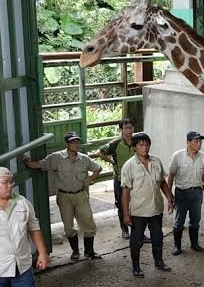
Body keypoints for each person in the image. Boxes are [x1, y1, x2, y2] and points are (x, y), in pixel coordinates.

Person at [24, 132, 102, 261]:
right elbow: (39, 165)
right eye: (73, 142)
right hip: (64, 196)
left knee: (88, 223)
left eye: (77, 141)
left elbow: (98, 168)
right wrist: (26, 162)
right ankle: (75, 251)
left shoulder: (84, 158)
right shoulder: (56, 158)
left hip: (80, 194)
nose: (76, 144)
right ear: (67, 144)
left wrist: (88, 180)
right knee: (68, 226)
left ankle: (90, 251)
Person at [121, 132, 175, 277]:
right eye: (140, 145)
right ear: (134, 147)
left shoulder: (156, 161)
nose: (145, 148)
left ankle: (159, 261)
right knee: (136, 241)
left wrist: (169, 197)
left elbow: (162, 182)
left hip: (156, 209)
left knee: (158, 238)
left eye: (147, 144)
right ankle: (136, 267)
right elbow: (125, 192)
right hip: (139, 211)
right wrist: (126, 215)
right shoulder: (129, 166)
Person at [167, 131, 204, 255]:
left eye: (200, 141)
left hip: (197, 193)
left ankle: (194, 245)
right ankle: (177, 246)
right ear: (188, 142)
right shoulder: (178, 156)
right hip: (182, 193)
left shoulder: (202, 157)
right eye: (195, 141)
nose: (199, 144)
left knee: (195, 220)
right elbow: (170, 176)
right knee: (179, 221)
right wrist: (169, 196)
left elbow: (203, 176)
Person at [95, 118, 136, 239]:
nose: (129, 130)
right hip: (120, 179)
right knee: (121, 205)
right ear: (121, 130)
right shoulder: (116, 143)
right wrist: (112, 161)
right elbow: (99, 152)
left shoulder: (137, 141)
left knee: (136, 204)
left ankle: (137, 230)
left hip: (136, 178)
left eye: (131, 127)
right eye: (126, 128)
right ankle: (124, 229)